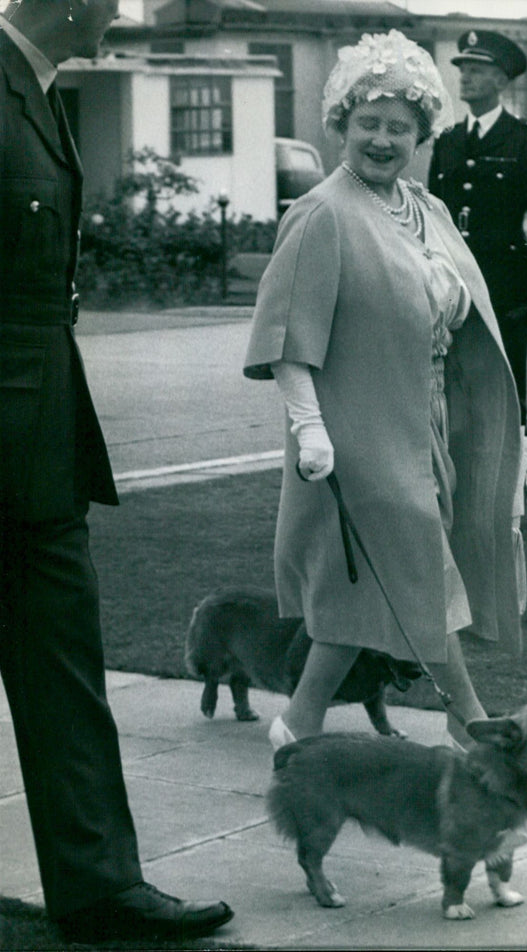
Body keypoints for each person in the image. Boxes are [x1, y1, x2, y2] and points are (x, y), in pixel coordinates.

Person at [0, 0, 233, 942]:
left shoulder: (38, 91)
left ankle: (100, 890)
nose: (124, 11)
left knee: (65, 667)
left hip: (40, 440)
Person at [244, 30, 522, 752]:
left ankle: (298, 724)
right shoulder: (323, 214)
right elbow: (285, 340)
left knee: (377, 586)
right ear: (340, 123)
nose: (382, 138)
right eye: (367, 122)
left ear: (422, 135)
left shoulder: (422, 207)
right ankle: (470, 719)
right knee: (416, 567)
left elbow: (458, 314)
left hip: (424, 423)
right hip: (356, 432)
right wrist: (310, 431)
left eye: (400, 127)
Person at [429, 29, 527, 422]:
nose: (465, 77)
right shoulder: (448, 140)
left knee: (505, 391)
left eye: (477, 70)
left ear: (502, 81)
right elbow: (433, 213)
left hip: (506, 287)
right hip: (451, 284)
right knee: (452, 388)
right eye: (463, 69)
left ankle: (511, 478)